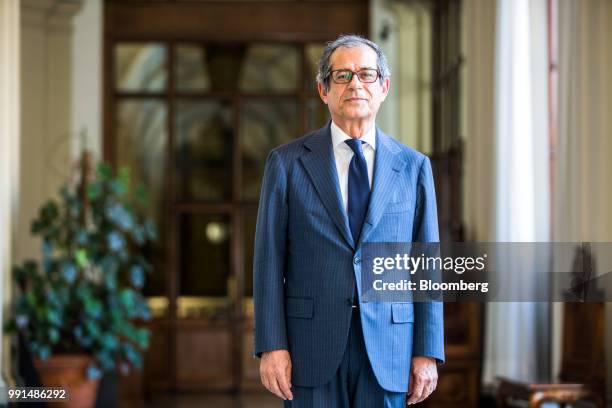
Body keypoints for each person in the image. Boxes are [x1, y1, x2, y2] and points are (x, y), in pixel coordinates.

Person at [253, 34, 444, 408]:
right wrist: (271, 344)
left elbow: (427, 267)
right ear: (324, 90)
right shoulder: (287, 164)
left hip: (390, 349)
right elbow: (268, 262)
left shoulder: (414, 167)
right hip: (310, 347)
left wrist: (427, 351)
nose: (356, 83)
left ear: (384, 87)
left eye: (367, 75)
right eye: (342, 76)